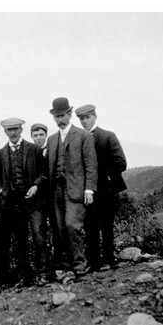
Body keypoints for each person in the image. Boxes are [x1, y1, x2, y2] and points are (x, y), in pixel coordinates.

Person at [46, 97, 98, 279]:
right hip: (56, 190)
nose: (59, 120)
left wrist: (89, 189)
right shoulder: (51, 140)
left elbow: (91, 165)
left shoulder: (83, 136)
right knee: (60, 228)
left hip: (76, 189)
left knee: (72, 226)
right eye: (56, 116)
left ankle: (79, 264)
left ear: (69, 114)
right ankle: (67, 266)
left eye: (62, 115)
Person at [0, 118, 49, 287]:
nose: (13, 133)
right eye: (9, 130)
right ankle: (25, 276)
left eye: (15, 129)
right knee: (20, 240)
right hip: (14, 203)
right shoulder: (1, 153)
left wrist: (36, 185)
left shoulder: (33, 149)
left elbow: (44, 173)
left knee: (38, 235)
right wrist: (1, 189)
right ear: (5, 132)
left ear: (20, 130)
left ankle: (44, 273)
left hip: (33, 202)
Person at [75, 104, 127, 270]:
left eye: (87, 117)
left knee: (106, 225)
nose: (85, 121)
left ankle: (109, 259)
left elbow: (121, 162)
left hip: (106, 190)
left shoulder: (107, 136)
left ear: (95, 117)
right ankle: (93, 262)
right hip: (87, 191)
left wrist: (103, 176)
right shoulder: (79, 139)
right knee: (90, 226)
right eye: (82, 119)